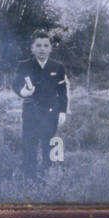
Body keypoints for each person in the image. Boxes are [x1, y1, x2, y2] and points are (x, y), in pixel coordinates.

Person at [12, 30, 68, 184]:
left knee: (48, 141)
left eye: (45, 45)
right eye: (38, 45)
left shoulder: (58, 67)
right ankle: (29, 174)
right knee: (29, 141)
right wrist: (23, 91)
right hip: (31, 110)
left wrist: (63, 111)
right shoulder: (24, 65)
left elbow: (62, 91)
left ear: (50, 48)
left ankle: (46, 171)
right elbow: (15, 84)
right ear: (32, 48)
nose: (42, 49)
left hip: (51, 111)